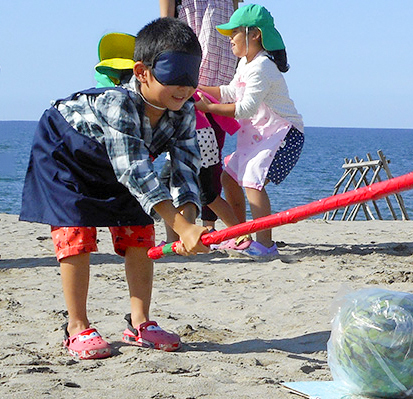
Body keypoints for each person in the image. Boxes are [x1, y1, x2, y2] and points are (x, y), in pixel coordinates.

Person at [19, 17, 209, 360]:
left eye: (191, 78)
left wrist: (187, 221)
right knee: (76, 232)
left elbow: (185, 165)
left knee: (138, 228)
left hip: (117, 162)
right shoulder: (118, 104)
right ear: (142, 72)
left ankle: (140, 323)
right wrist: (181, 227)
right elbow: (135, 171)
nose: (183, 88)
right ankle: (76, 325)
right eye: (173, 77)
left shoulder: (184, 110)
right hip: (66, 153)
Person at [196, 4, 304, 257]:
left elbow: (244, 108)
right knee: (229, 177)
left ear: (254, 34)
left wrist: (209, 107)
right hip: (261, 135)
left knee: (253, 180)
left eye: (233, 33)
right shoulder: (246, 64)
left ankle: (265, 244)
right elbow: (230, 92)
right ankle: (242, 234)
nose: (229, 40)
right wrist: (198, 88)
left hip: (283, 134)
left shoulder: (263, 66)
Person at [159, 0, 239, 234]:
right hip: (192, 61)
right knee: (182, 176)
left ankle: (210, 227)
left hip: (221, 68)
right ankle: (187, 233)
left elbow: (237, 11)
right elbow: (167, 20)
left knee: (201, 179)